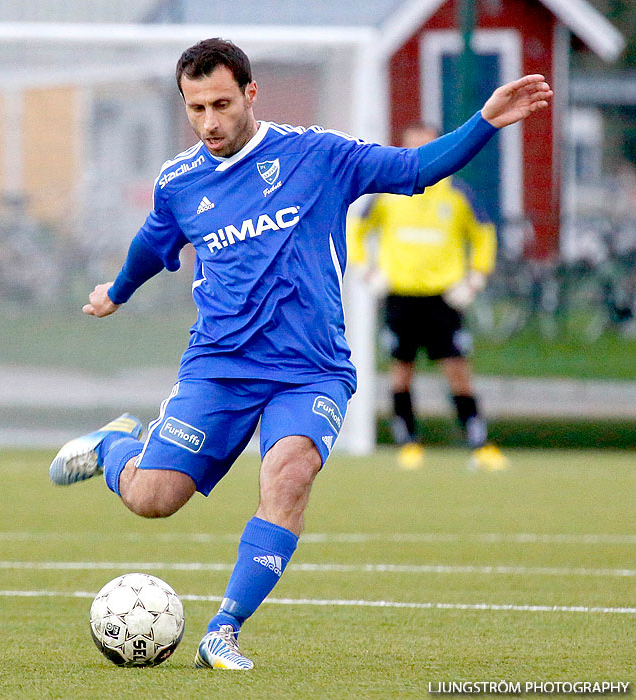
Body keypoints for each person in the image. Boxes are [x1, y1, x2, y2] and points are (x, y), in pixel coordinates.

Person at [49, 38, 551, 670]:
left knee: (287, 474)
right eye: (195, 108)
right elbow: (154, 245)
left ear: (252, 93)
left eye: (222, 104)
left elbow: (413, 169)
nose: (209, 122)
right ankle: (113, 446)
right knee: (153, 498)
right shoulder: (180, 182)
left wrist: (484, 123)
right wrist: (116, 292)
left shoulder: (319, 155)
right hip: (219, 369)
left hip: (310, 370)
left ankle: (224, 629)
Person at [349, 123, 508, 471]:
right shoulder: (388, 193)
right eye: (411, 149)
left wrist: (476, 278)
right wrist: (366, 269)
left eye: (426, 149)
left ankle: (478, 443)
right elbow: (356, 227)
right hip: (400, 296)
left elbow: (484, 233)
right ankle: (408, 443)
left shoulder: (456, 193)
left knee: (458, 371)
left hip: (443, 298)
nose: (418, 157)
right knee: (400, 372)